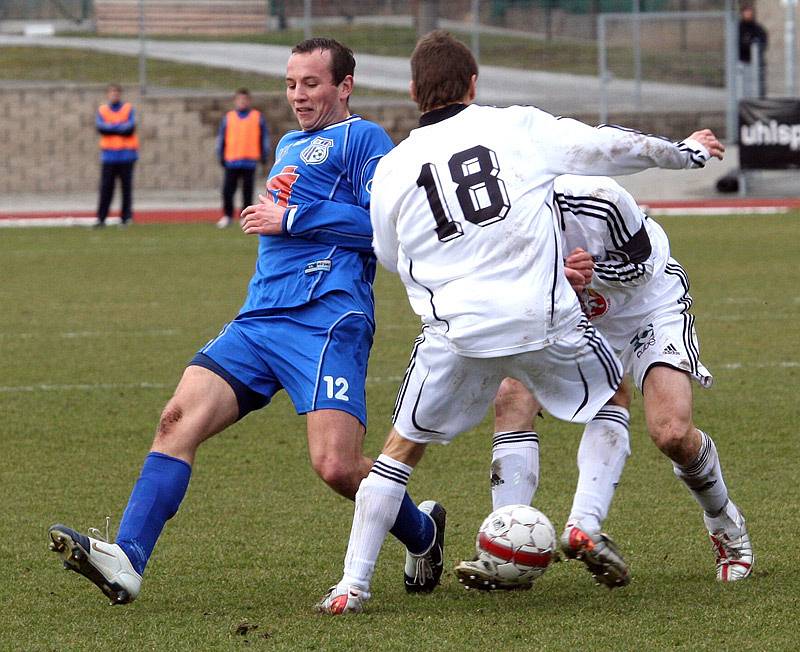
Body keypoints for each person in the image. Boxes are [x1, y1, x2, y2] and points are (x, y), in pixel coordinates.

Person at [316, 30, 725, 615]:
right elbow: (611, 147)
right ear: (474, 84)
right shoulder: (516, 126)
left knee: (396, 455)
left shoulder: (394, 167)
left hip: (455, 331)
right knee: (611, 398)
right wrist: (685, 151)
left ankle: (351, 586)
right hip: (541, 320)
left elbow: (386, 250)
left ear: (412, 92)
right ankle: (584, 521)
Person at [48, 38, 441, 605]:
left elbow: (386, 229)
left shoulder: (364, 139)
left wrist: (293, 217)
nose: (298, 95)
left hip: (327, 318)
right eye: (290, 84)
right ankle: (128, 558)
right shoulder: (286, 142)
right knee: (176, 420)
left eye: (311, 83)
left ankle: (423, 533)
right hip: (259, 319)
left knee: (336, 466)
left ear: (344, 86)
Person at [455, 175, 753, 591]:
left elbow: (643, 264)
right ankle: (507, 545)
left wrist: (588, 274)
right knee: (512, 395)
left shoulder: (600, 198)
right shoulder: (495, 214)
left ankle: (724, 521)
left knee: (672, 433)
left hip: (649, 306)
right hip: (571, 311)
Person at [216, 88, 270, 229]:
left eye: (245, 99)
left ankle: (245, 216)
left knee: (247, 191)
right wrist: (220, 154)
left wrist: (264, 154)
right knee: (228, 191)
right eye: (240, 99)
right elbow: (222, 138)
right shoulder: (229, 117)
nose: (242, 102)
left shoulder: (257, 117)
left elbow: (263, 137)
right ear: (235, 101)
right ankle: (227, 216)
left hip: (249, 161)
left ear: (249, 101)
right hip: (231, 160)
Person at [95, 84, 138, 227]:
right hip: (109, 156)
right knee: (106, 188)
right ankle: (101, 218)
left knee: (126, 188)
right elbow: (101, 128)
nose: (114, 95)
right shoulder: (103, 110)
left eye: (116, 93)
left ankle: (126, 218)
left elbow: (130, 128)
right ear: (108, 94)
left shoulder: (128, 109)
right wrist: (119, 126)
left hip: (126, 155)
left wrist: (112, 126)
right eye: (112, 93)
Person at [739, 4, 768, 98]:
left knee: (758, 86)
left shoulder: (758, 29)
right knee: (743, 86)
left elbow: (763, 43)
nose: (748, 14)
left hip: (756, 63)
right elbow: (738, 44)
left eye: (750, 12)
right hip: (743, 61)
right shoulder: (738, 28)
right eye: (746, 12)